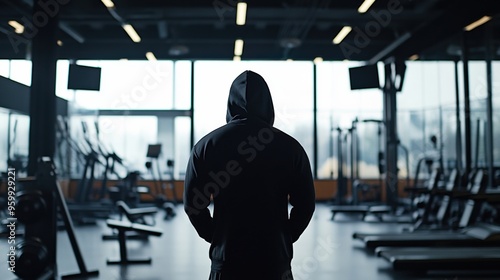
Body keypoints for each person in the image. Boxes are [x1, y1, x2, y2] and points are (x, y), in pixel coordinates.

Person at [184, 70, 315, 280]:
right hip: (274, 259)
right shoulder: (291, 148)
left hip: (226, 260)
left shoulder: (206, 146)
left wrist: (216, 236)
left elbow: (193, 204)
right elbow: (306, 204)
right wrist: (285, 236)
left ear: (231, 103)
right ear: (268, 104)